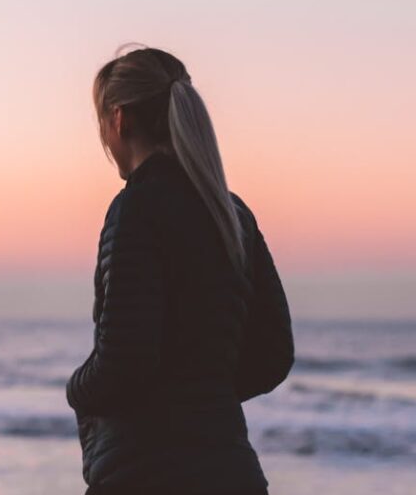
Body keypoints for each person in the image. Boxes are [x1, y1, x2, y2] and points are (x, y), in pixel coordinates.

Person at [66, 44, 295, 495]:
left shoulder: (137, 208)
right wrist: (203, 399)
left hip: (145, 473)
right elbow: (274, 354)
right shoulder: (232, 212)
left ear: (119, 120)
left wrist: (77, 389)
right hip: (232, 472)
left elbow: (125, 360)